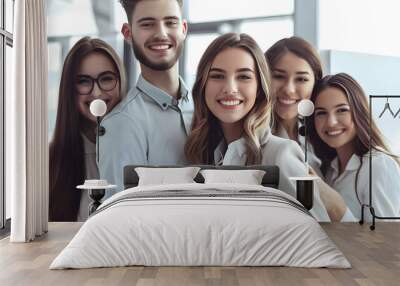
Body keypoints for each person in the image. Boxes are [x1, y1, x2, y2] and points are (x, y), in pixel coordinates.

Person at [185, 33, 333, 221]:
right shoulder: (206, 150)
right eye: (217, 75)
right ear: (203, 85)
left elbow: (319, 233)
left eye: (244, 76)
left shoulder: (281, 153)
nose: (230, 88)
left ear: (260, 88)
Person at [99, 0, 190, 194]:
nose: (161, 33)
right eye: (148, 24)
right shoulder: (121, 124)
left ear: (183, 28)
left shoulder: (208, 106)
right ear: (128, 33)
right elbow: (118, 216)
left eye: (170, 22)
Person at [49, 37, 127, 221]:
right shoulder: (49, 161)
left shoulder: (138, 150)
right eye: (84, 81)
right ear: (70, 89)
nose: (97, 93)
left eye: (106, 79)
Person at [309, 73, 400, 221]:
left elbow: (386, 242)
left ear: (359, 111)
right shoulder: (331, 169)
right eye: (321, 113)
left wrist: (339, 210)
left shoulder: (378, 165)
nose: (331, 122)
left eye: (342, 110)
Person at [264, 37, 322, 170]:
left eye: (301, 79)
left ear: (316, 83)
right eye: (278, 76)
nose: (289, 89)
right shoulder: (254, 139)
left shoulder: (322, 133)